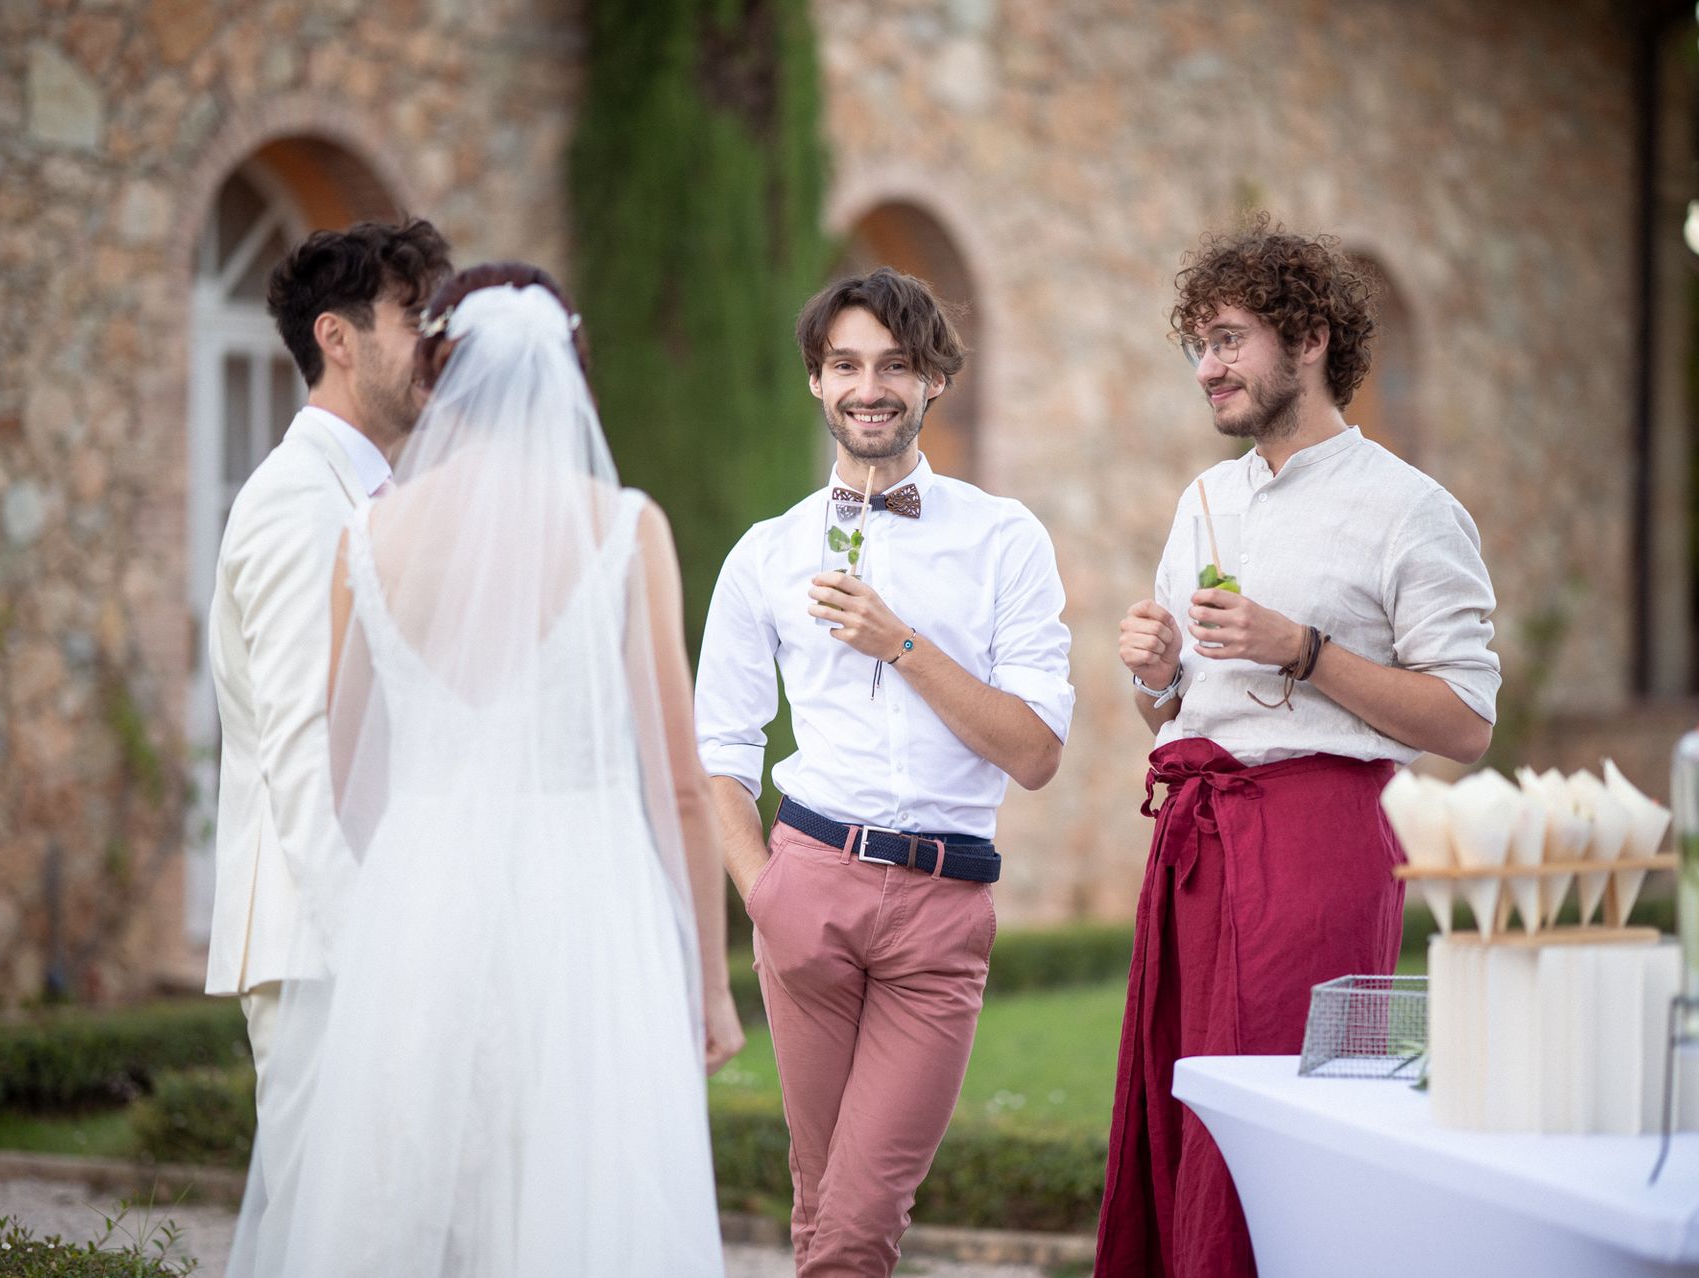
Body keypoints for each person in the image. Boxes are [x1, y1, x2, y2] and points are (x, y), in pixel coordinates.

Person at [226, 264, 743, 1277]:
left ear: (440, 373)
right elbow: (682, 787)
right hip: (586, 906)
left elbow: (346, 764)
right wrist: (706, 983)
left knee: (421, 1203)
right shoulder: (626, 528)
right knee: (575, 1193)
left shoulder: (369, 534)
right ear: (570, 376)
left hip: (426, 899)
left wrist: (417, 870)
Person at [1097, 218, 1501, 1278]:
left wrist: (1305, 649)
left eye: (1229, 340)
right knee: (1185, 1118)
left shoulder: (1410, 510)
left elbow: (1466, 720)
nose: (1207, 367)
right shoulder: (1204, 501)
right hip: (1193, 849)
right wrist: (1156, 676)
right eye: (1199, 345)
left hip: (1321, 853)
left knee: (1284, 1135)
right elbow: (1178, 711)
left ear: (1311, 339)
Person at [695, 266, 1075, 1277]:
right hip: (806, 889)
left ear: (934, 379)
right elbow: (720, 750)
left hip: (941, 911)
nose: (870, 388)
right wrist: (764, 893)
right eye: (847, 366)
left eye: (896, 366)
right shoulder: (765, 555)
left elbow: (1036, 752)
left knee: (858, 1221)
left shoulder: (1005, 540)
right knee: (824, 1207)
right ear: (817, 381)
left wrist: (899, 642)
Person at [205, 217, 451, 1184]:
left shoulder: (381, 499)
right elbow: (306, 755)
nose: (432, 342)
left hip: (384, 938)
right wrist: (379, 956)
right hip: (324, 951)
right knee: (326, 1227)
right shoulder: (296, 503)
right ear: (337, 338)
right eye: (411, 317)